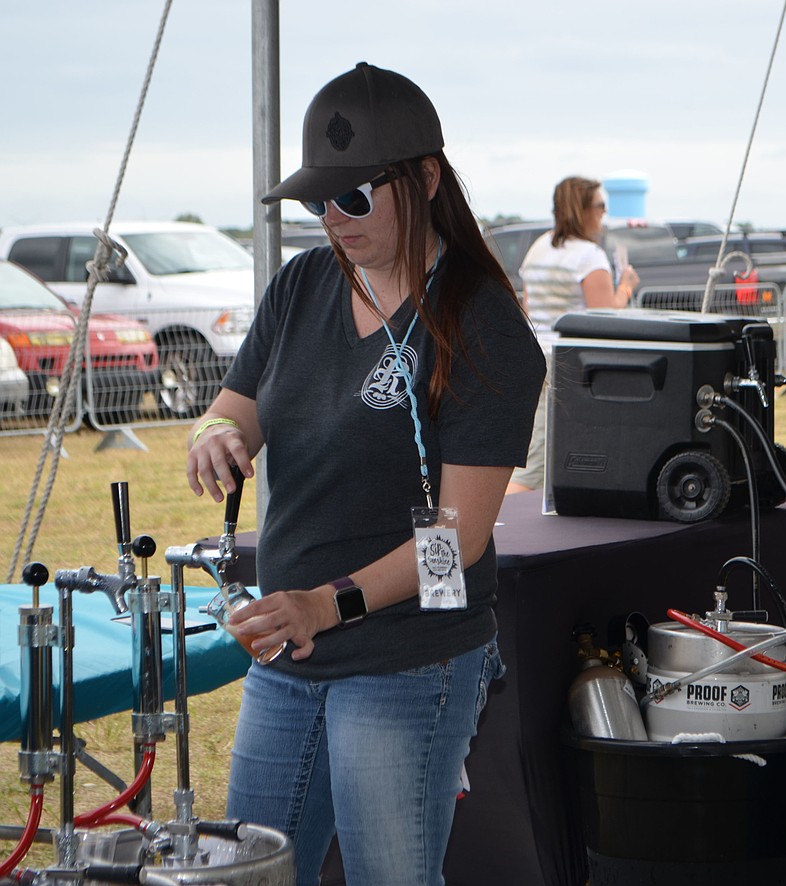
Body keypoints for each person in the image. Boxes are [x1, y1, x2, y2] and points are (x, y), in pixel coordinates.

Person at [186, 62, 545, 886]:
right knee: (249, 872)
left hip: (407, 660)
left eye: (353, 197)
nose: (331, 219)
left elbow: (455, 545)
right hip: (290, 649)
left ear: (425, 178)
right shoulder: (301, 285)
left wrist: (328, 603)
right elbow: (234, 406)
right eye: (318, 201)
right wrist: (213, 434)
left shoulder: (481, 322)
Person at [506, 176, 640, 494]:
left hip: (533, 357)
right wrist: (626, 287)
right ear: (583, 210)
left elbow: (529, 308)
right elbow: (604, 316)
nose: (604, 213)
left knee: (530, 453)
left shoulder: (539, 248)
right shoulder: (588, 256)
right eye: (600, 205)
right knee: (534, 471)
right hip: (567, 365)